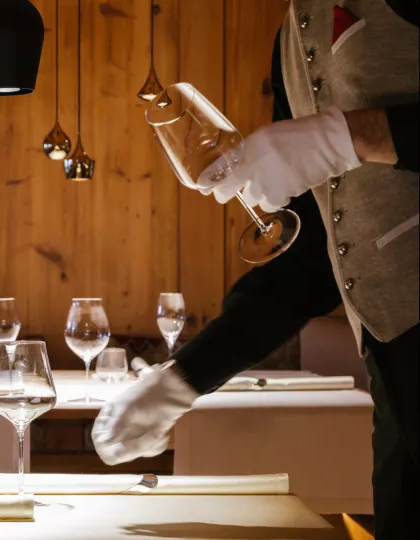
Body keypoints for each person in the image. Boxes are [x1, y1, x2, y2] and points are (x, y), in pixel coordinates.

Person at [92, 1, 418, 537]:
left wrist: (349, 137)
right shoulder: (290, 37)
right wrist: (183, 378)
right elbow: (316, 256)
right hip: (394, 375)